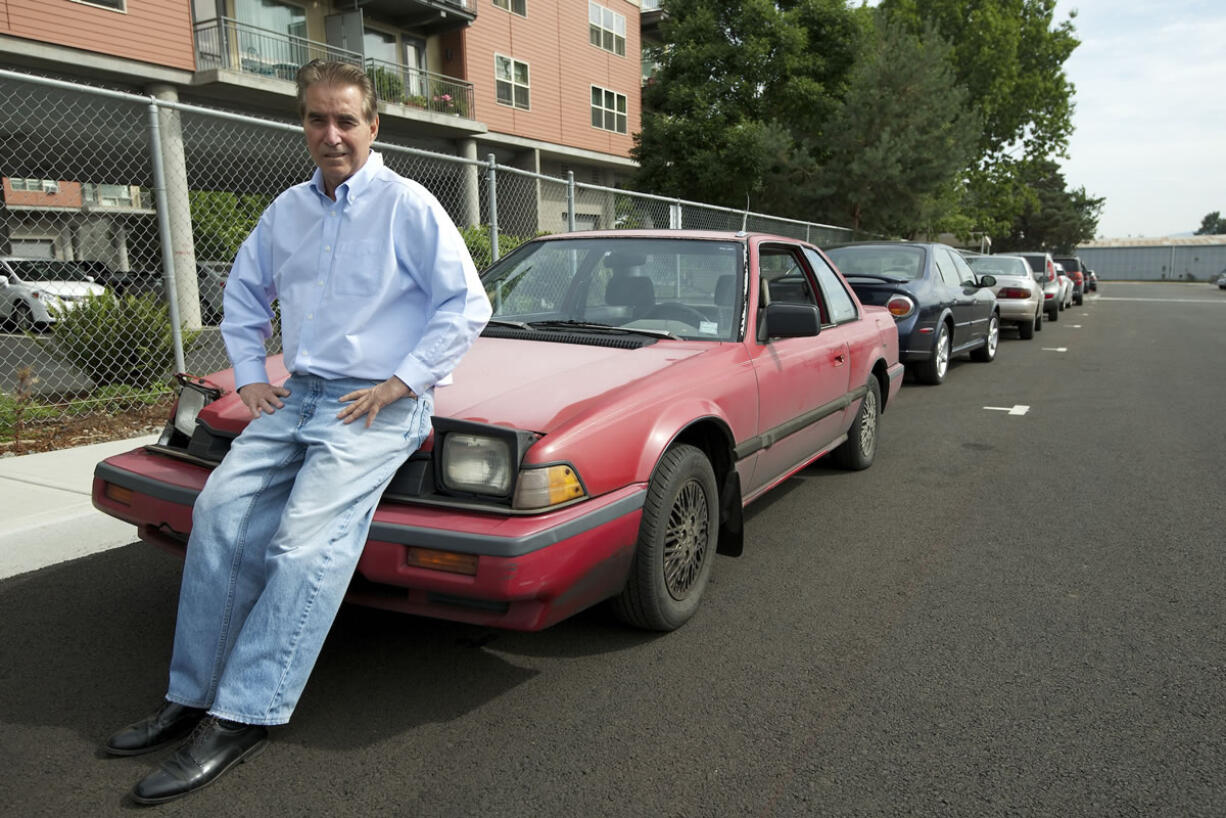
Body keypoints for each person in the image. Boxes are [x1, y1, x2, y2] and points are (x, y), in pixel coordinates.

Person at [103, 59, 491, 805]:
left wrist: (403, 381)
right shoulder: (288, 210)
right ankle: (191, 694)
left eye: (347, 119)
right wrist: (249, 373)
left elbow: (462, 305)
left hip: (374, 406)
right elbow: (245, 292)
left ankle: (244, 711)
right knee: (218, 516)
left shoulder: (407, 205)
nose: (332, 133)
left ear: (373, 127)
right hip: (298, 396)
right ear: (303, 125)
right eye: (317, 118)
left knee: (303, 541)